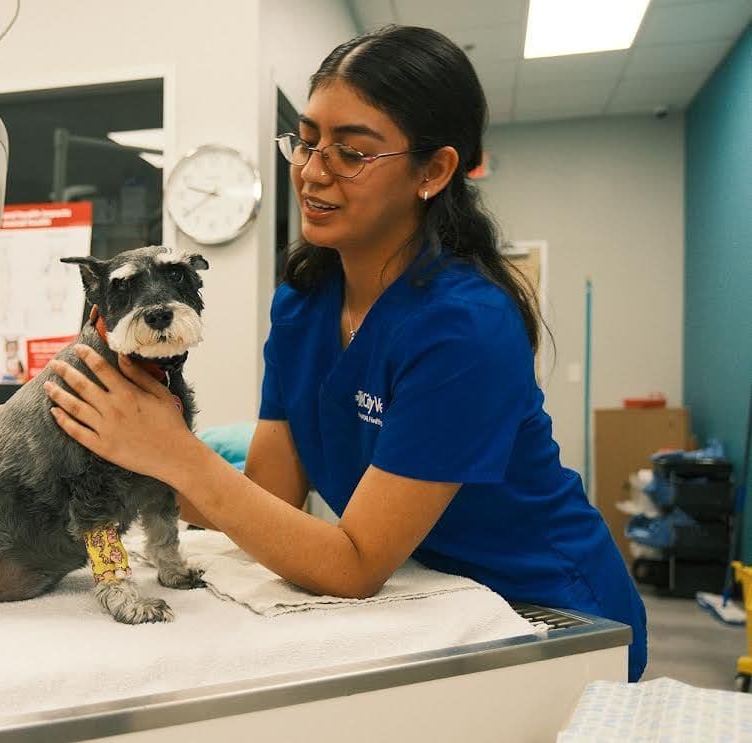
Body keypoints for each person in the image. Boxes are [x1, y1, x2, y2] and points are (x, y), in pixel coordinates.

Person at [38, 25, 647, 681]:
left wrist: (170, 449)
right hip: (425, 593)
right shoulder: (301, 305)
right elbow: (267, 499)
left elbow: (354, 563)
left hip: (553, 612)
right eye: (304, 142)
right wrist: (95, 461)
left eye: (350, 154)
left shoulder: (464, 328)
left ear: (433, 171)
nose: (309, 170)